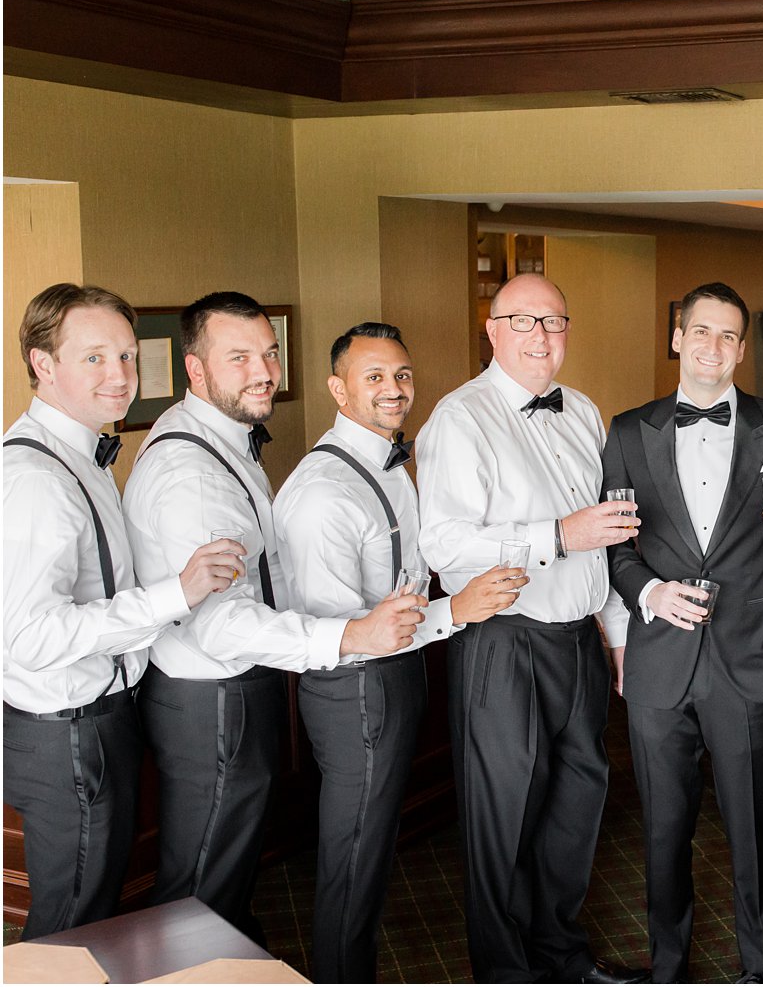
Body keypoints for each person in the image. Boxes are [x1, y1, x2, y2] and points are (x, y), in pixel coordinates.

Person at [123, 292, 423, 941]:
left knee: (222, 890)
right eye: (240, 357)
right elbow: (219, 622)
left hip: (238, 690)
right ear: (195, 368)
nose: (263, 370)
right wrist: (352, 633)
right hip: (211, 700)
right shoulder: (189, 473)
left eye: (269, 352)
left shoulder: (225, 444)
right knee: (197, 894)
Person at [274, 323, 528, 983]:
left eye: (403, 375)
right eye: (375, 377)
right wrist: (458, 609)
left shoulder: (387, 464)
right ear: (338, 388)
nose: (395, 390)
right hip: (356, 687)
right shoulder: (322, 491)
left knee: (372, 853)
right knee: (353, 861)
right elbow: (349, 633)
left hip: (398, 675)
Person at [416, 273, 646, 984]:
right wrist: (555, 532)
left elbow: (604, 537)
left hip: (578, 639)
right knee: (504, 819)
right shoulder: (460, 418)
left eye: (554, 321)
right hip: (503, 641)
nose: (542, 337)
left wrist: (617, 637)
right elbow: (445, 546)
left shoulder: (583, 410)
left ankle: (564, 961)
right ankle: (506, 973)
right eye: (524, 321)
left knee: (577, 805)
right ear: (492, 330)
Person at [3, 284, 241, 939]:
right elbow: (28, 637)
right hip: (65, 735)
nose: (121, 376)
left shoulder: (82, 455)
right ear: (43, 364)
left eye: (129, 357)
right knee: (69, 929)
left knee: (91, 916)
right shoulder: (35, 479)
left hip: (100, 724)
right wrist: (177, 593)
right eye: (96, 358)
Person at [601, 283, 763, 984]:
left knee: (752, 829)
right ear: (677, 337)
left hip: (750, 659)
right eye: (701, 332)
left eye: (727, 336)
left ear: (742, 349)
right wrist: (649, 593)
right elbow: (615, 544)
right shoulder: (630, 430)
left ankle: (760, 970)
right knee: (663, 831)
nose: (713, 347)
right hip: (661, 664)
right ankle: (669, 967)